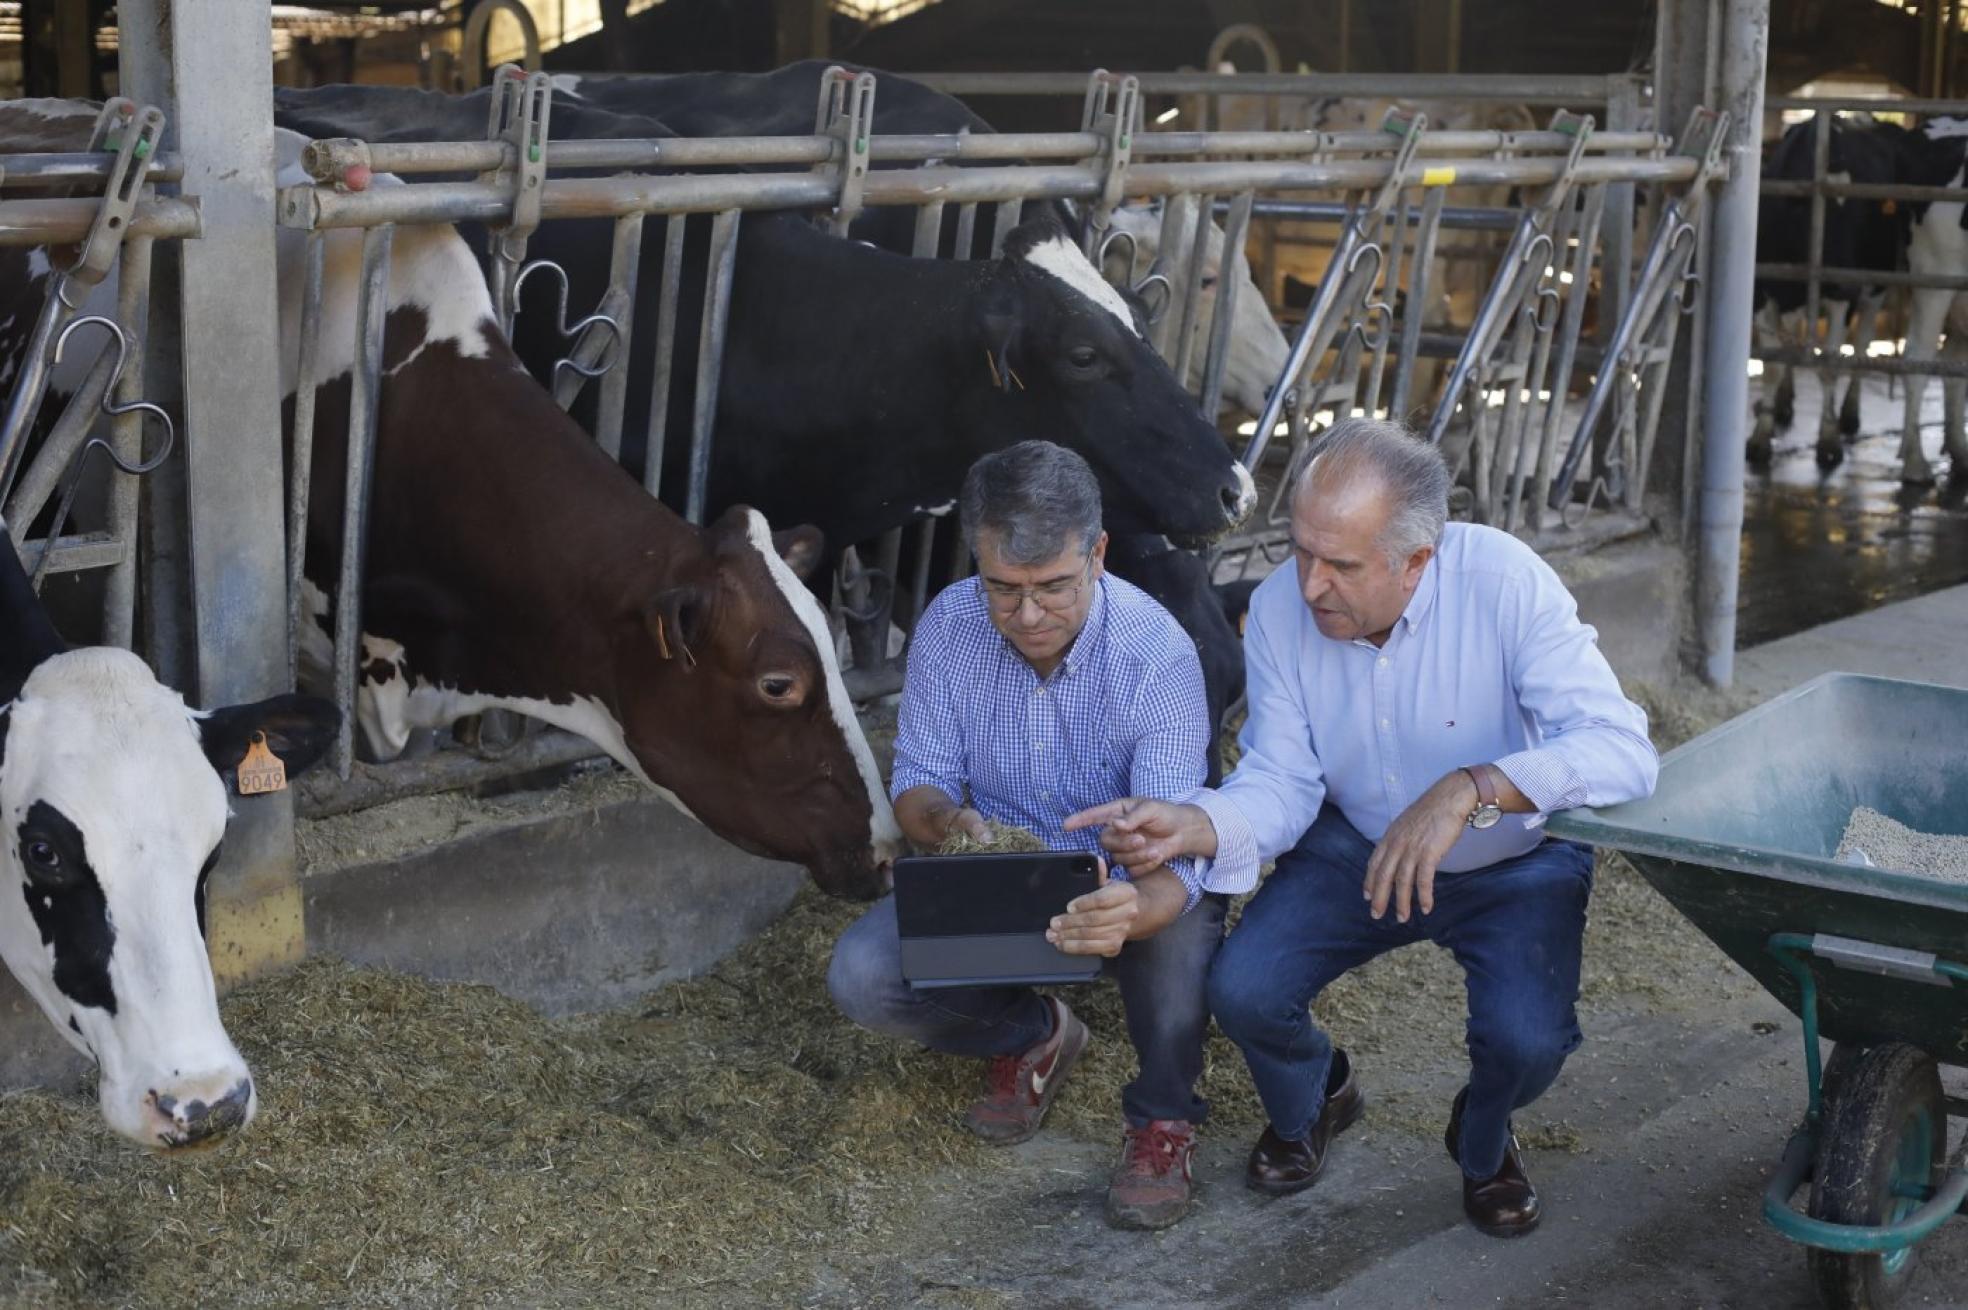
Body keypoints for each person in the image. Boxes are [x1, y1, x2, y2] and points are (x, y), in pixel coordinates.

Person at [1067, 418, 1659, 1237]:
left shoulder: (1505, 580)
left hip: (1515, 857)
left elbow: (1625, 750)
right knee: (1243, 989)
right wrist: (1195, 823)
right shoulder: (1279, 609)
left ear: (1418, 561)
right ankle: (1320, 1093)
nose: (1309, 587)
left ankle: (1483, 1142)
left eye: (1340, 565)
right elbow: (1282, 778)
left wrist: (1475, 785)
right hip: (1358, 844)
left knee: (1527, 1044)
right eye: (1301, 550)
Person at [826, 440, 1223, 1231]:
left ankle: (1161, 1120)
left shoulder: (1158, 652)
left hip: (1125, 879)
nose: (1029, 615)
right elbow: (919, 785)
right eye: (1003, 588)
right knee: (862, 976)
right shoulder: (949, 625)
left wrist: (1128, 908)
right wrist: (950, 826)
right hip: (1003, 869)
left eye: (1053, 587)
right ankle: (1036, 1033)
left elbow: (1178, 851)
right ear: (975, 557)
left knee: (1178, 936)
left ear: (1100, 553)